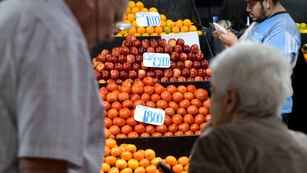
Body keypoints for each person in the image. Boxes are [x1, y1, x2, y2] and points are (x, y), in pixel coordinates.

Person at [0, 0, 128, 173]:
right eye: (113, 18)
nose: (109, 36)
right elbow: (44, 163)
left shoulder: (16, 9)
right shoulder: (56, 35)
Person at [189, 42, 307, 173]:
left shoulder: (217, 146)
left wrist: (209, 133)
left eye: (214, 92)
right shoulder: (302, 144)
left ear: (231, 99)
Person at [215, 0, 301, 118]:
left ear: (267, 2)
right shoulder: (261, 21)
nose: (247, 9)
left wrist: (235, 44)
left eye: (251, 4)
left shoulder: (283, 30)